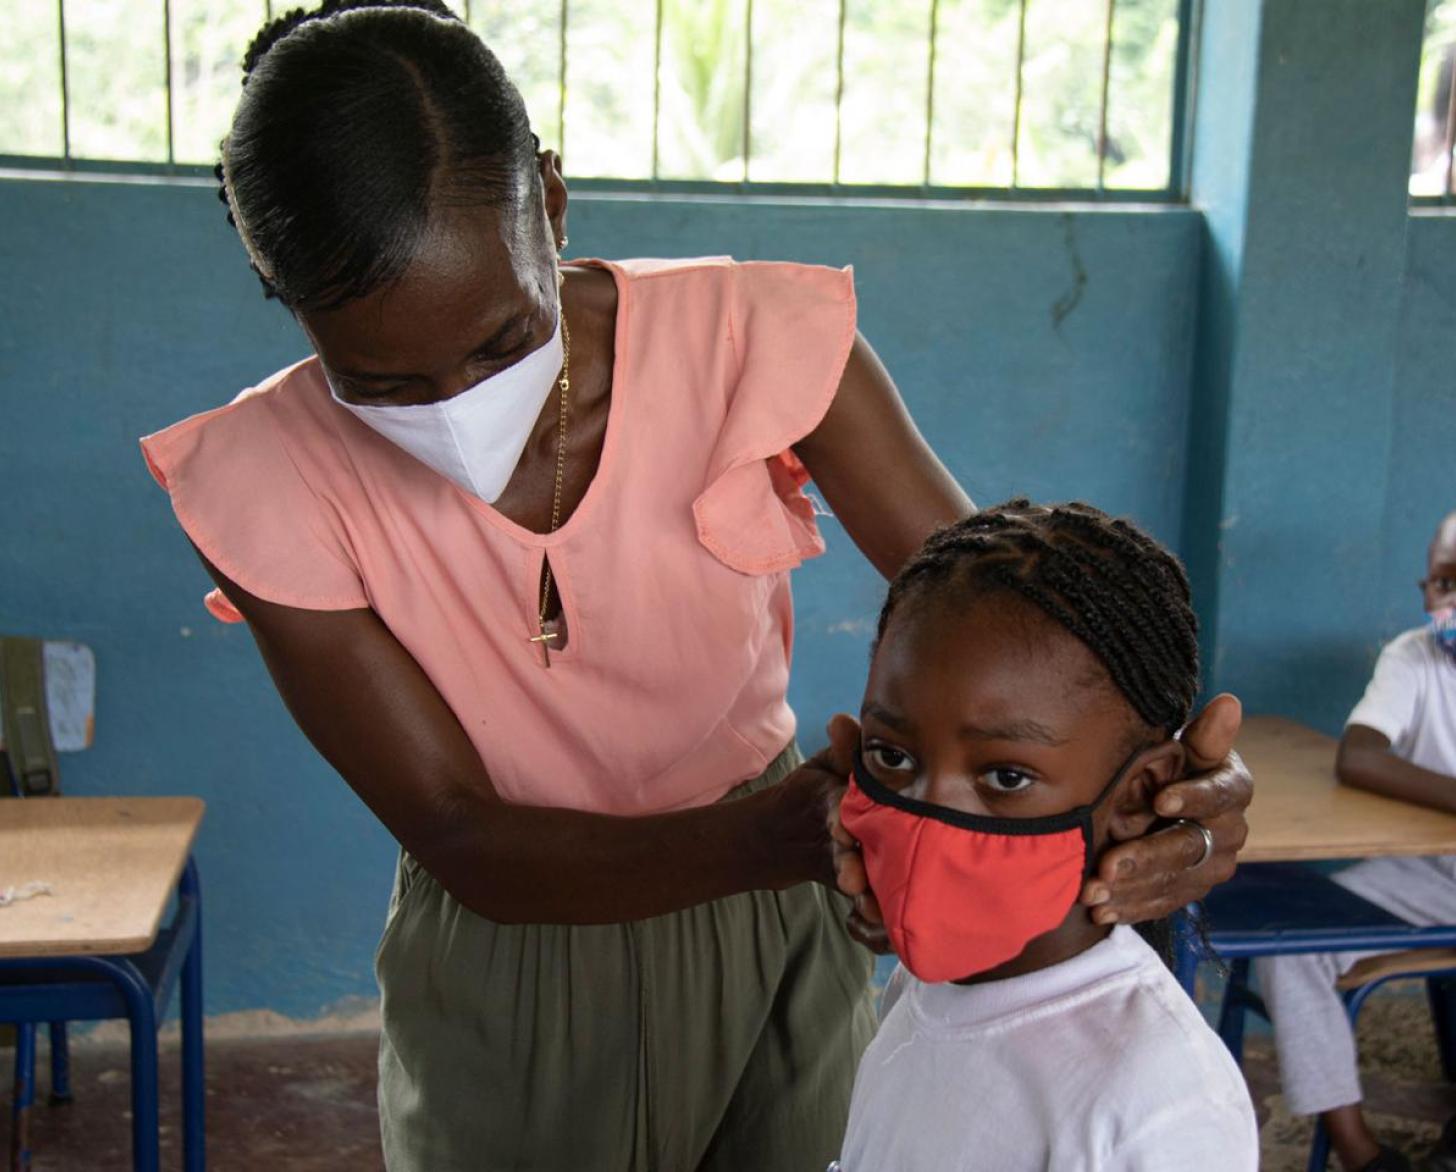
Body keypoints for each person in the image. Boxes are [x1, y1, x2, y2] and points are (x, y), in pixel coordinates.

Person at [138, 3, 1253, 1168]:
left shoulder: (748, 340)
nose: (453, 408)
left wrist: (1176, 784)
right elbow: (460, 832)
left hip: (779, 920)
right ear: (290, 306)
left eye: (498, 341)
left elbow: (1029, 623)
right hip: (521, 944)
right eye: (380, 381)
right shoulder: (258, 480)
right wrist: (777, 840)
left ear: (551, 200)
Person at [827, 501, 1258, 1172]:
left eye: (1004, 775)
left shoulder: (1163, 1099)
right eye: (891, 757)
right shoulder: (918, 994)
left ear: (1139, 792)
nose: (926, 817)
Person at [1257, 510, 1456, 1172]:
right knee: (1290, 944)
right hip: (1425, 877)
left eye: (1455, 581)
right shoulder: (1415, 656)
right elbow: (1361, 759)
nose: (1441, 601)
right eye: (1435, 582)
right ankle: (1356, 1146)